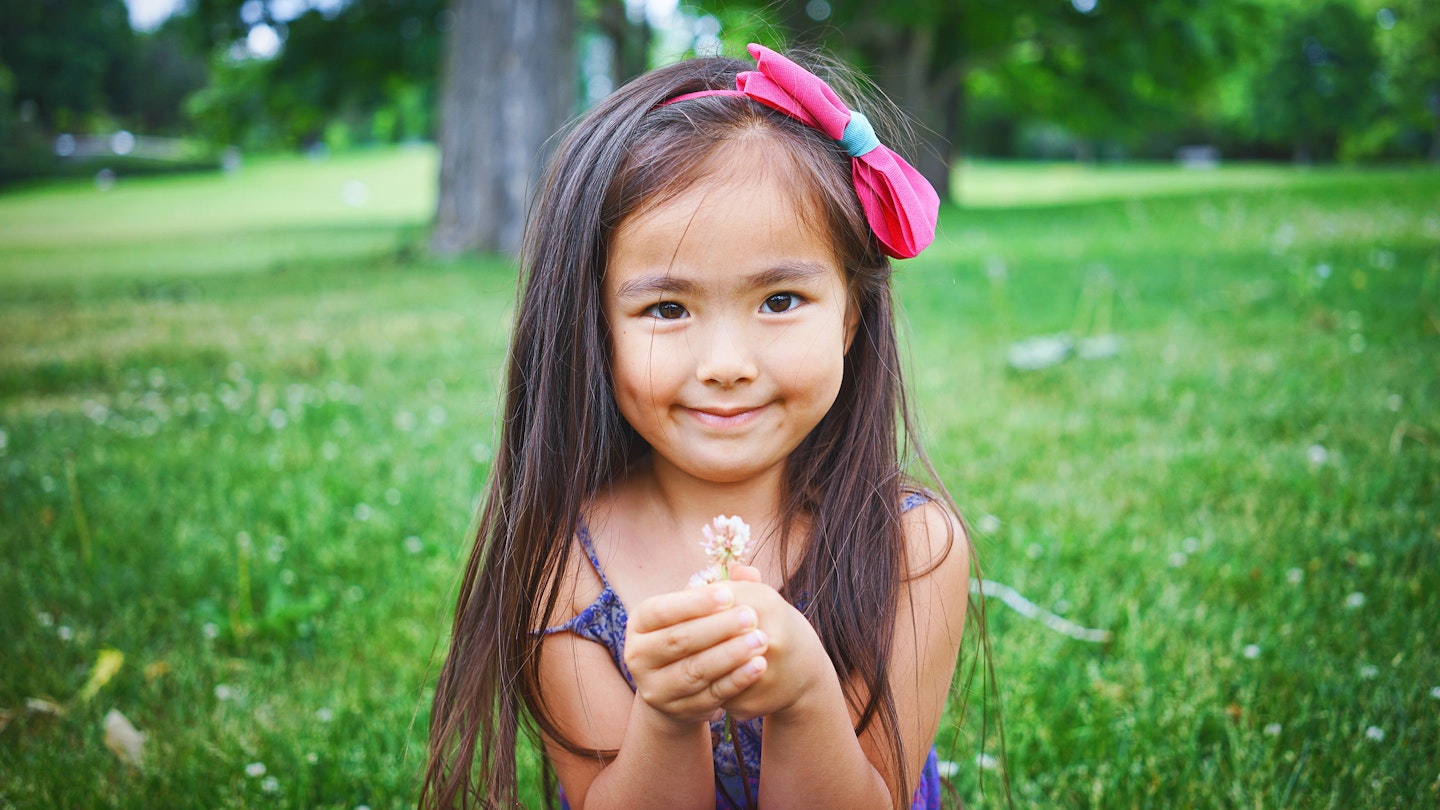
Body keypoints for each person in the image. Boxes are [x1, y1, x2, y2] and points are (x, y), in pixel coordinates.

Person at [421, 43, 977, 810]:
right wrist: (670, 713)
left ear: (851, 312)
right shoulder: (565, 559)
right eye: (667, 309)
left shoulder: (913, 548)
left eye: (780, 300)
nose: (726, 364)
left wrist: (805, 695)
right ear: (596, 327)